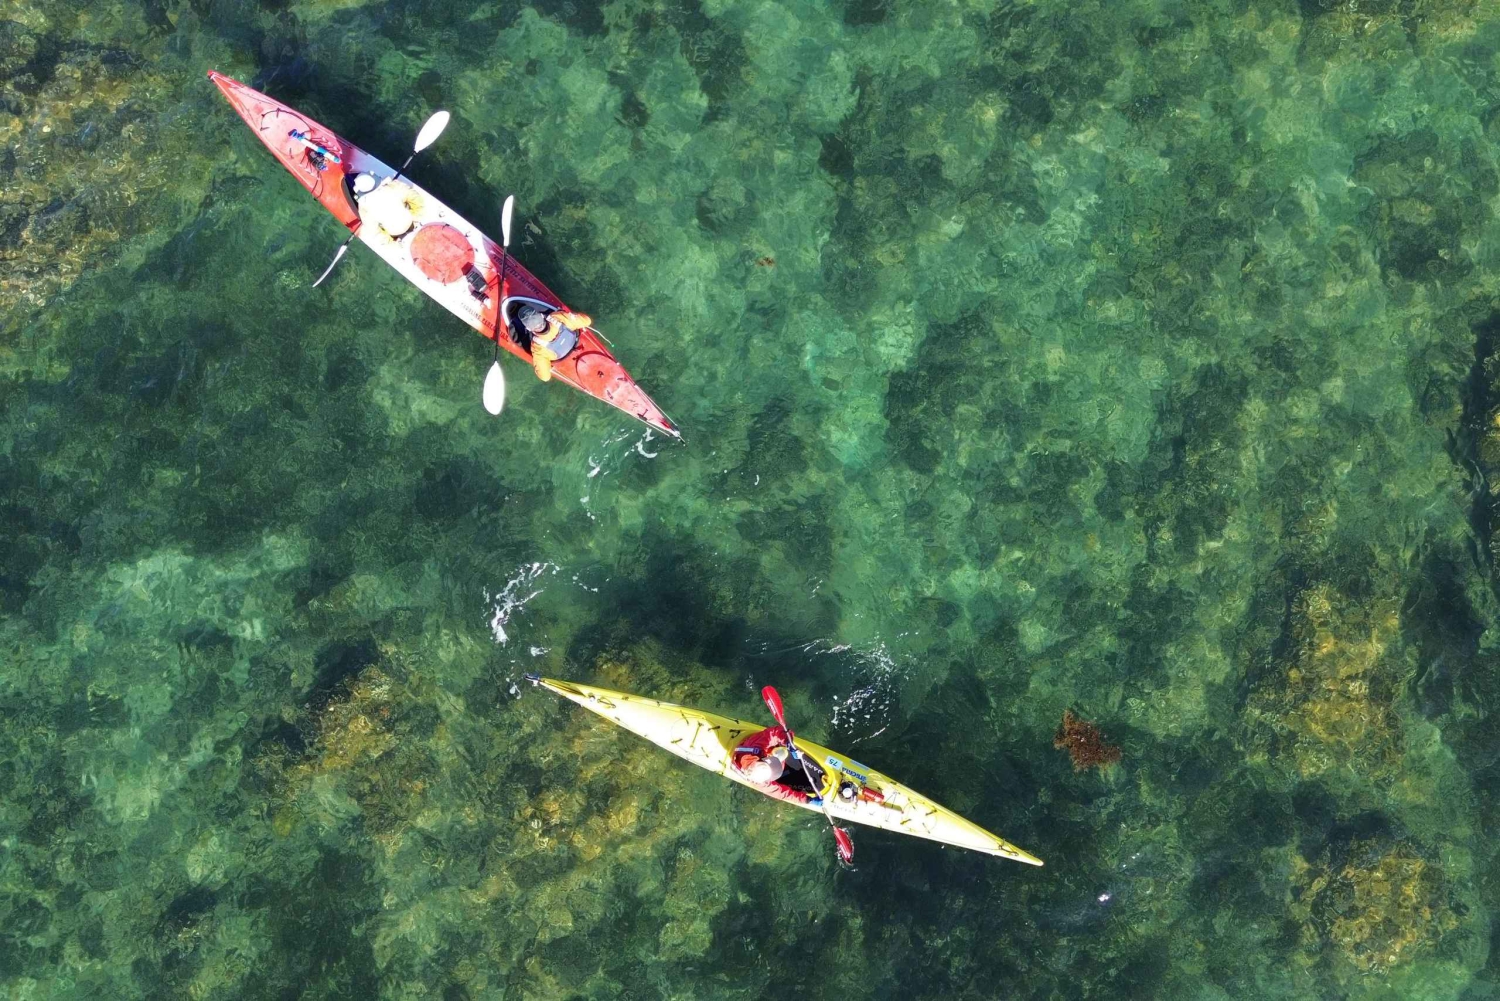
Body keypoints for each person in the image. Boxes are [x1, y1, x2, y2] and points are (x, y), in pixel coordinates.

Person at [518, 304, 590, 382]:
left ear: (528, 328)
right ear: (542, 316)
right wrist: (572, 316)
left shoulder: (537, 347)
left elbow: (545, 377)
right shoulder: (557, 317)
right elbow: (587, 320)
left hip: (560, 357)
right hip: (575, 343)